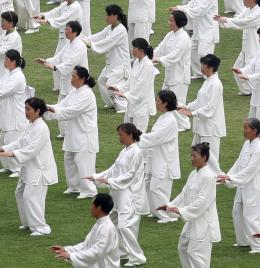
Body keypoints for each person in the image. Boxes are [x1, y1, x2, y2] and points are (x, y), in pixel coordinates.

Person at [0, 97, 59, 236]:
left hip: (39, 169)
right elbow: (20, 142)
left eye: (28, 109)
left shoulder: (41, 128)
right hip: (29, 168)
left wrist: (12, 154)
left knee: (31, 197)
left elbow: (32, 149)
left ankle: (41, 228)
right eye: (25, 109)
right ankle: (28, 222)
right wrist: (3, 148)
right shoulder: (31, 124)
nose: (25, 112)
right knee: (20, 193)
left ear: (38, 111)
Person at [87, 123, 146, 267]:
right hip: (118, 193)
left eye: (121, 135)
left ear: (130, 135)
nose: (119, 138)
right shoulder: (125, 150)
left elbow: (130, 175)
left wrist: (110, 181)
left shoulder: (136, 152)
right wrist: (96, 177)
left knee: (125, 226)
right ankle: (122, 251)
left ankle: (137, 257)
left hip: (130, 195)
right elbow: (113, 169)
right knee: (113, 223)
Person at [158, 142, 221, 268]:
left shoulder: (208, 177)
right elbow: (183, 194)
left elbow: (202, 202)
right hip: (192, 219)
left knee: (196, 254)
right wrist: (170, 205)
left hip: (203, 222)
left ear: (204, 157)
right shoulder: (193, 174)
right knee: (183, 248)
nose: (191, 158)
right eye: (191, 155)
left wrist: (181, 211)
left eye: (194, 156)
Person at [217, 118, 260, 253]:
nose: (244, 131)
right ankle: (244, 241)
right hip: (243, 187)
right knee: (237, 213)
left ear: (255, 131)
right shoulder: (247, 144)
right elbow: (238, 164)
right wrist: (227, 178)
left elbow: (250, 170)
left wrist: (231, 178)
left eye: (246, 128)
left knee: (251, 218)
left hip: (254, 189)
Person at [47, 66, 99, 199]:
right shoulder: (74, 92)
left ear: (82, 79)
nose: (71, 79)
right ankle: (74, 187)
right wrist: (46, 107)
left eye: (74, 77)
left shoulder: (87, 95)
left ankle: (89, 190)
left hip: (84, 135)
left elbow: (72, 111)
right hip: (73, 134)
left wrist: (52, 110)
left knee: (83, 163)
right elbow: (61, 105)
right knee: (69, 160)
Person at [138, 90, 181, 223]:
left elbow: (156, 138)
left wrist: (137, 138)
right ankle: (156, 211)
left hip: (164, 161)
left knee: (158, 189)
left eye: (158, 101)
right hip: (156, 158)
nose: (156, 103)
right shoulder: (163, 117)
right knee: (148, 185)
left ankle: (167, 216)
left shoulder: (170, 121)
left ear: (165, 103)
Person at [50, 193, 119, 267]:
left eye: (92, 205)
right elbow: (86, 245)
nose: (90, 208)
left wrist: (70, 256)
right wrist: (67, 250)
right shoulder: (100, 224)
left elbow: (96, 252)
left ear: (99, 207)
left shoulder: (107, 228)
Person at [109, 39, 157, 132]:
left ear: (141, 50)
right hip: (132, 103)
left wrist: (125, 95)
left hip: (142, 105)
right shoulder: (136, 62)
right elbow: (131, 81)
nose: (132, 50)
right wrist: (118, 88)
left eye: (134, 48)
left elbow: (142, 86)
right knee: (128, 131)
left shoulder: (148, 65)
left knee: (139, 134)